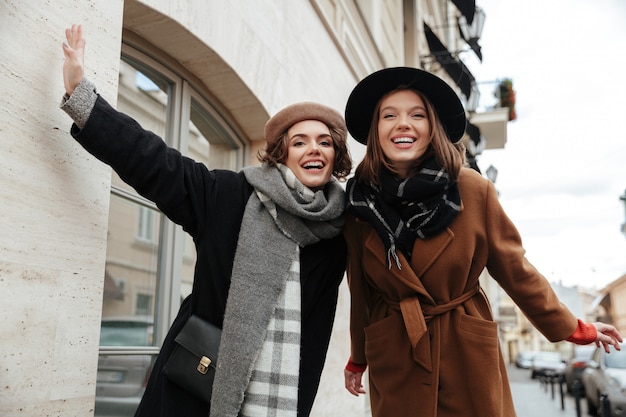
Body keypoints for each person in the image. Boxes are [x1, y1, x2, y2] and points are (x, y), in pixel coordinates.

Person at [61, 24, 352, 417]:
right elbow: (155, 163)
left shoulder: (338, 232)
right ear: (282, 153)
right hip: (197, 396)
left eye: (325, 142)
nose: (313, 149)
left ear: (336, 157)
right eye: (299, 141)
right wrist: (83, 98)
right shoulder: (231, 197)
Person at [341, 67, 622, 417]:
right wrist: (358, 357)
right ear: (375, 130)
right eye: (389, 116)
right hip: (396, 351)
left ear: (433, 128)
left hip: (464, 348)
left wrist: (575, 328)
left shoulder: (472, 190)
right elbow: (361, 292)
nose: (403, 124)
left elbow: (517, 271)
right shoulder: (358, 205)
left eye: (417, 115)